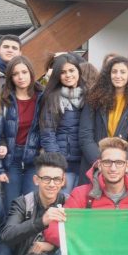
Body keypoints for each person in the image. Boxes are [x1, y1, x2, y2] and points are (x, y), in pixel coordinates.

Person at [0, 56, 43, 207]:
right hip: (11, 159)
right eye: (15, 74)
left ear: (31, 73)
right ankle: (9, 231)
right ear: (10, 77)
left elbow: (48, 129)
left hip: (34, 159)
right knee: (11, 206)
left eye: (24, 72)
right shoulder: (4, 98)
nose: (20, 77)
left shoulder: (42, 98)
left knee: (30, 206)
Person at [79, 55, 128, 179]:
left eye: (123, 72)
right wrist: (100, 162)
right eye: (114, 71)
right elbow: (85, 135)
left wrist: (125, 164)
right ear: (108, 74)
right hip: (94, 165)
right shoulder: (94, 97)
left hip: (123, 167)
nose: (118, 75)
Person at [52, 137, 128, 216]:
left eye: (119, 162)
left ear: (127, 166)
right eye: (107, 162)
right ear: (99, 165)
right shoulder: (81, 195)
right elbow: (57, 227)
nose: (113, 168)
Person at [39, 53, 86, 191]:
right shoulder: (52, 97)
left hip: (84, 161)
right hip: (63, 163)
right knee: (64, 202)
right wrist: (59, 164)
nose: (68, 75)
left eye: (71, 70)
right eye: (63, 72)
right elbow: (48, 133)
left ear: (79, 71)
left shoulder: (88, 95)